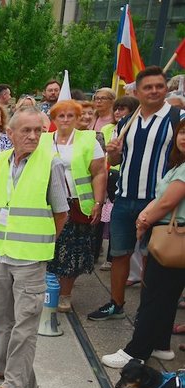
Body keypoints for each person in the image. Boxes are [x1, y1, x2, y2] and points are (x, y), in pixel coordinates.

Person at [0, 109, 69, 388]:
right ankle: (0, 367)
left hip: (30, 258)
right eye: (26, 130)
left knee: (25, 325)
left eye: (38, 130)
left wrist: (43, 241)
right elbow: (0, 204)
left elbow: (61, 213)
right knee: (0, 318)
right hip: (1, 252)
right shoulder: (0, 160)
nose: (33, 136)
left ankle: (15, 383)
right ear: (10, 134)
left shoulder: (50, 162)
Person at [89, 67, 184, 322]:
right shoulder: (126, 122)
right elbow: (117, 160)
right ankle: (116, 303)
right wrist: (113, 152)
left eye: (159, 86)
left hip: (159, 202)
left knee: (153, 258)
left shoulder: (178, 118)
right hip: (125, 197)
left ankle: (147, 311)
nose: (154, 91)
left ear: (166, 89)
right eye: (148, 87)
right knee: (119, 254)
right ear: (137, 92)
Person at [103, 120, 185, 368]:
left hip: (174, 234)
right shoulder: (178, 165)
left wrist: (144, 220)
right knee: (166, 295)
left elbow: (167, 202)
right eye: (182, 132)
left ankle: (136, 352)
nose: (184, 138)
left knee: (154, 295)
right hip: (172, 233)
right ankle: (160, 344)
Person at [43, 100, 108, 311]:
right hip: (48, 204)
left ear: (78, 118)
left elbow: (99, 172)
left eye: (70, 115)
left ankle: (65, 294)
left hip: (76, 204)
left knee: (71, 252)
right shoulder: (43, 140)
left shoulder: (89, 140)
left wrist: (98, 202)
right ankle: (46, 290)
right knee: (49, 248)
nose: (65, 119)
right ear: (53, 119)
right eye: (61, 116)